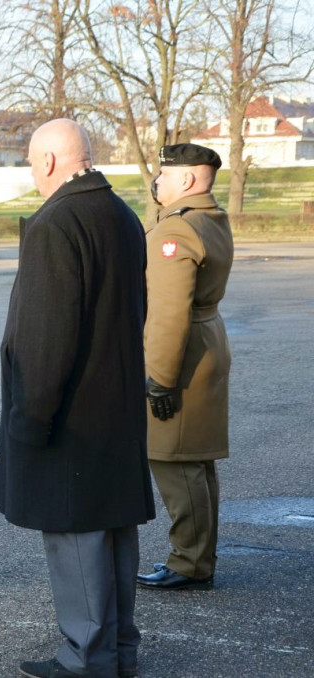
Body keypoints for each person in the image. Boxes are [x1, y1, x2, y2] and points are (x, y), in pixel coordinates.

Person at [0, 119, 154, 678]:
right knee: (114, 533)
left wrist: (31, 419)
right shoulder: (124, 216)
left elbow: (44, 336)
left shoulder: (56, 222)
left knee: (76, 538)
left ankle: (87, 658)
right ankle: (117, 651)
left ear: (53, 162)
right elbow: (138, 310)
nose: (34, 176)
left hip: (72, 416)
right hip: (117, 406)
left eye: (34, 165)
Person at [136, 143, 233, 592]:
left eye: (165, 174)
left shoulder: (177, 231)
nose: (158, 181)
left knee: (175, 460)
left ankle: (189, 561)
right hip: (206, 339)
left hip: (184, 352)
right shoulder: (209, 217)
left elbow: (168, 314)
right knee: (196, 460)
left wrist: (160, 379)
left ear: (188, 181)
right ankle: (198, 556)